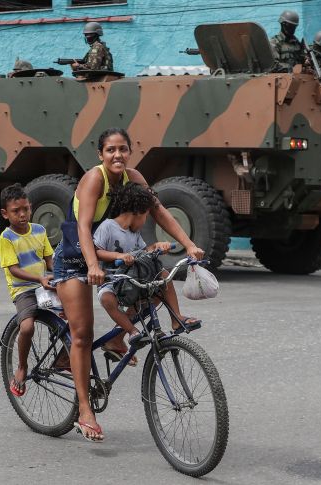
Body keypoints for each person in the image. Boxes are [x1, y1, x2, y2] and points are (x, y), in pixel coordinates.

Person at [52, 127, 205, 442]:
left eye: (122, 149)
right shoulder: (95, 179)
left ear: (130, 151)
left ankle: (118, 337)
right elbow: (83, 226)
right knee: (81, 334)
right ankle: (84, 410)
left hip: (112, 254)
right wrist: (92, 265)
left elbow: (159, 212)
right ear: (100, 154)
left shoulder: (135, 178)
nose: (117, 155)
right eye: (110, 150)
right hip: (75, 253)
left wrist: (189, 245)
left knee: (156, 288)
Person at [93, 182, 202, 366]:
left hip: (133, 281)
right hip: (112, 281)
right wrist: (119, 255)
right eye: (146, 216)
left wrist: (158, 246)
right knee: (107, 300)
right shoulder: (108, 227)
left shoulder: (134, 232)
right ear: (137, 212)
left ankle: (176, 318)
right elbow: (96, 251)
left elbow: (144, 252)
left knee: (162, 278)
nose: (146, 220)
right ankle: (131, 331)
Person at [0, 183, 55, 397]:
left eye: (26, 209)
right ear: (5, 213)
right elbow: (14, 270)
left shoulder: (39, 230)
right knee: (28, 327)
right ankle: (22, 367)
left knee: (73, 313)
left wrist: (60, 272)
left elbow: (49, 260)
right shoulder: (7, 238)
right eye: (16, 211)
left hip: (44, 284)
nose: (22, 215)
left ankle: (64, 356)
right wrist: (39, 278)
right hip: (24, 290)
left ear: (30, 207)